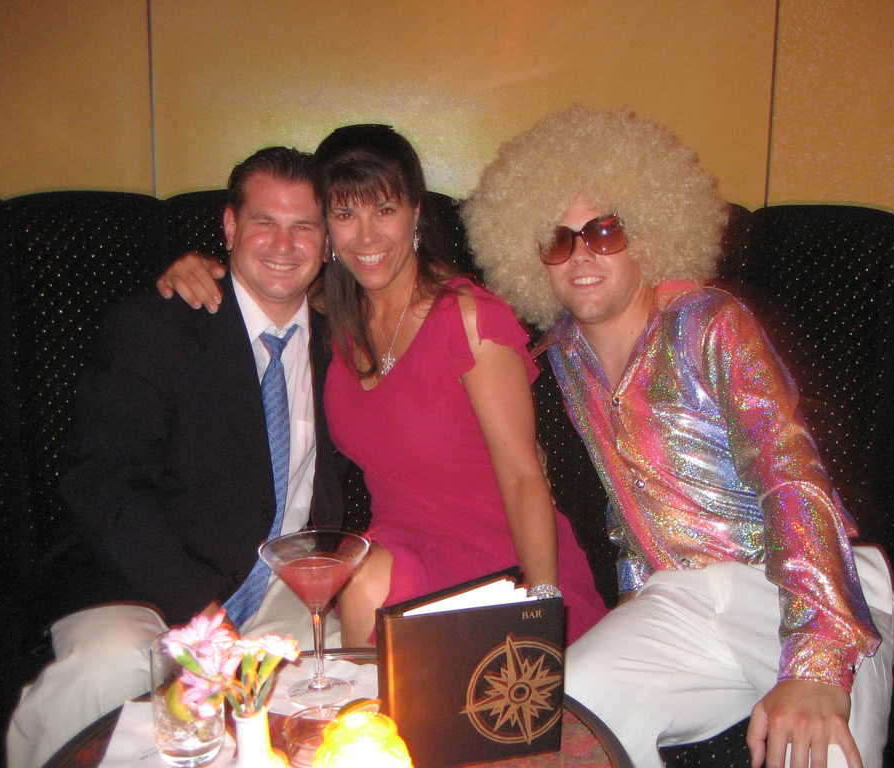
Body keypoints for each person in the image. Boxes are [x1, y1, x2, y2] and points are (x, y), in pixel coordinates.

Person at [462, 106, 894, 768]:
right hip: (682, 602)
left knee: (825, 752)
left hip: (801, 585)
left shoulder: (708, 324)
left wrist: (817, 658)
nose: (580, 255)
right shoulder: (565, 355)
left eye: (603, 231)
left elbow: (791, 477)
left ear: (649, 231)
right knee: (549, 726)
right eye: (557, 239)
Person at [159, 124, 606, 647]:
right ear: (326, 229)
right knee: (362, 582)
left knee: (366, 585)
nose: (366, 238)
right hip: (399, 552)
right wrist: (195, 269)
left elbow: (524, 478)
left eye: (385, 210)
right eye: (345, 214)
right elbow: (253, 289)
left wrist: (541, 605)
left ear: (415, 213)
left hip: (504, 559)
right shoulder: (331, 320)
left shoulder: (469, 320)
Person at [7, 146, 347, 768]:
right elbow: (104, 485)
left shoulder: (343, 340)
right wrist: (202, 611)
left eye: (304, 226)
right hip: (141, 583)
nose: (283, 244)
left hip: (281, 583)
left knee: (342, 679)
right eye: (264, 222)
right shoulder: (156, 325)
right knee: (108, 666)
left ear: (326, 242)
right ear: (230, 227)